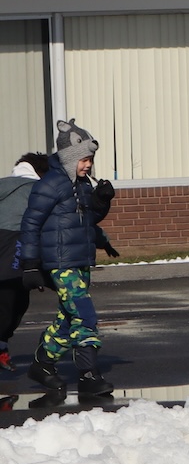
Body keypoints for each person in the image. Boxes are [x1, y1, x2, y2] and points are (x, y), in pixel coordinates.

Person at [16, 121, 115, 407]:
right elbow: (31, 223)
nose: (88, 165)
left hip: (79, 258)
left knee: (68, 317)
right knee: (84, 315)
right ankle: (88, 374)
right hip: (60, 262)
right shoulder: (51, 184)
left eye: (91, 160)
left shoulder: (81, 184)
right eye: (84, 159)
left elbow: (87, 219)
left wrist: (102, 200)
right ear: (71, 158)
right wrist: (31, 263)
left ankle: (42, 363)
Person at [0, 152, 46, 375]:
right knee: (13, 302)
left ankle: (1, 347)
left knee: (12, 302)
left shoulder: (3, 184)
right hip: (15, 244)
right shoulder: (37, 189)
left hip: (10, 244)